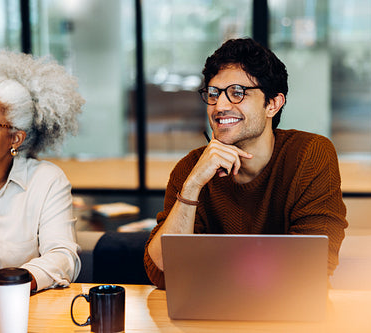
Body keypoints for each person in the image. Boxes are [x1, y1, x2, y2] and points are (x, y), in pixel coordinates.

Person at [144, 38, 348, 289]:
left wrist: (208, 267)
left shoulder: (310, 155)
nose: (220, 105)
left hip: (287, 315)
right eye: (213, 93)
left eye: (237, 93)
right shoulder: (192, 169)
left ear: (272, 104)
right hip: (208, 318)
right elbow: (161, 271)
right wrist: (193, 185)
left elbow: (316, 263)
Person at [0, 50, 84, 307]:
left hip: (25, 313)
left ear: (16, 139)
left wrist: (22, 279)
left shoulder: (46, 181)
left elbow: (64, 256)